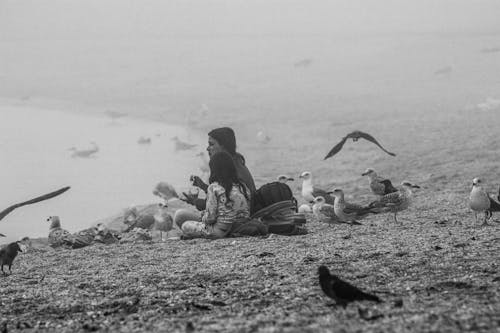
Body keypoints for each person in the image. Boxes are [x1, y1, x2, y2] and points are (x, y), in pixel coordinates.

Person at [174, 127, 256, 228]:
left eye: (211, 144)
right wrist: (203, 186)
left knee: (180, 216)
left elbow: (222, 206)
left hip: (230, 224)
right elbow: (224, 197)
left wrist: (195, 202)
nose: (207, 148)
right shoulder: (236, 163)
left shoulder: (230, 169)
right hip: (238, 219)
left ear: (223, 147)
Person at [179, 151, 251, 239]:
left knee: (185, 225)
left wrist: (203, 217)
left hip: (218, 232)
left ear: (214, 170)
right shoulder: (242, 186)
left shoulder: (214, 187)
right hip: (238, 229)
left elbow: (210, 218)